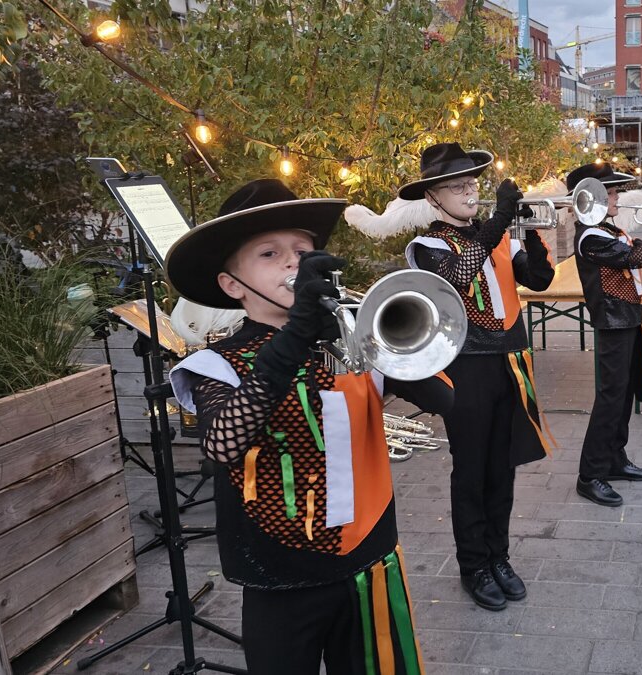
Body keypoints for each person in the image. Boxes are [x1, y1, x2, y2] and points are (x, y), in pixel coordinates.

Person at [166, 179, 453, 674]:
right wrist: (296, 333)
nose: (291, 262)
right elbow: (219, 445)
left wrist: (378, 333)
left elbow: (447, 399)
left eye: (302, 250)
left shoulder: (353, 341)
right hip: (279, 577)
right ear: (233, 285)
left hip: (369, 564)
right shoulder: (219, 363)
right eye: (270, 253)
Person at [402, 143, 555, 611]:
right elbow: (455, 278)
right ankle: (473, 566)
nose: (470, 192)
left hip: (509, 362)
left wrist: (528, 233)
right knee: (470, 471)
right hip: (465, 367)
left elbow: (541, 280)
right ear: (433, 198)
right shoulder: (425, 247)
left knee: (501, 469)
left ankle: (499, 557)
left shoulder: (496, 237)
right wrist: (499, 221)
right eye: (457, 187)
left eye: (472, 184)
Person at [570, 162, 642, 507]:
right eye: (609, 193)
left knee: (624, 394)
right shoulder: (590, 236)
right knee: (610, 400)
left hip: (627, 320)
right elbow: (638, 257)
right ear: (590, 198)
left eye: (614, 192)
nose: (616, 198)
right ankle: (590, 474)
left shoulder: (609, 231)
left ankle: (614, 458)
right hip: (611, 324)